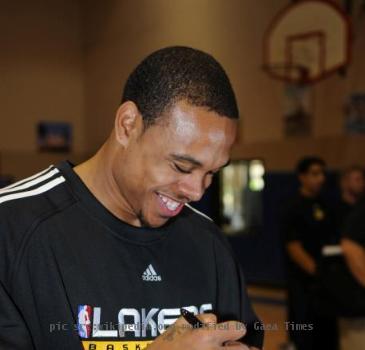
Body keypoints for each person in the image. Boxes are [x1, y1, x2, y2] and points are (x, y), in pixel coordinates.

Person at [0, 47, 263, 350]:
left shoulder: (208, 243)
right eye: (181, 166)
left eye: (211, 172)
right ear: (128, 125)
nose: (196, 191)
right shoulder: (13, 229)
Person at [282, 156, 338, 350]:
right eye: (315, 174)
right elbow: (293, 247)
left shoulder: (325, 204)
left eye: (322, 174)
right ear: (302, 177)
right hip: (303, 283)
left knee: (327, 334)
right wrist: (317, 273)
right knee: (304, 332)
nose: (320, 178)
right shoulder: (293, 206)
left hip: (325, 284)